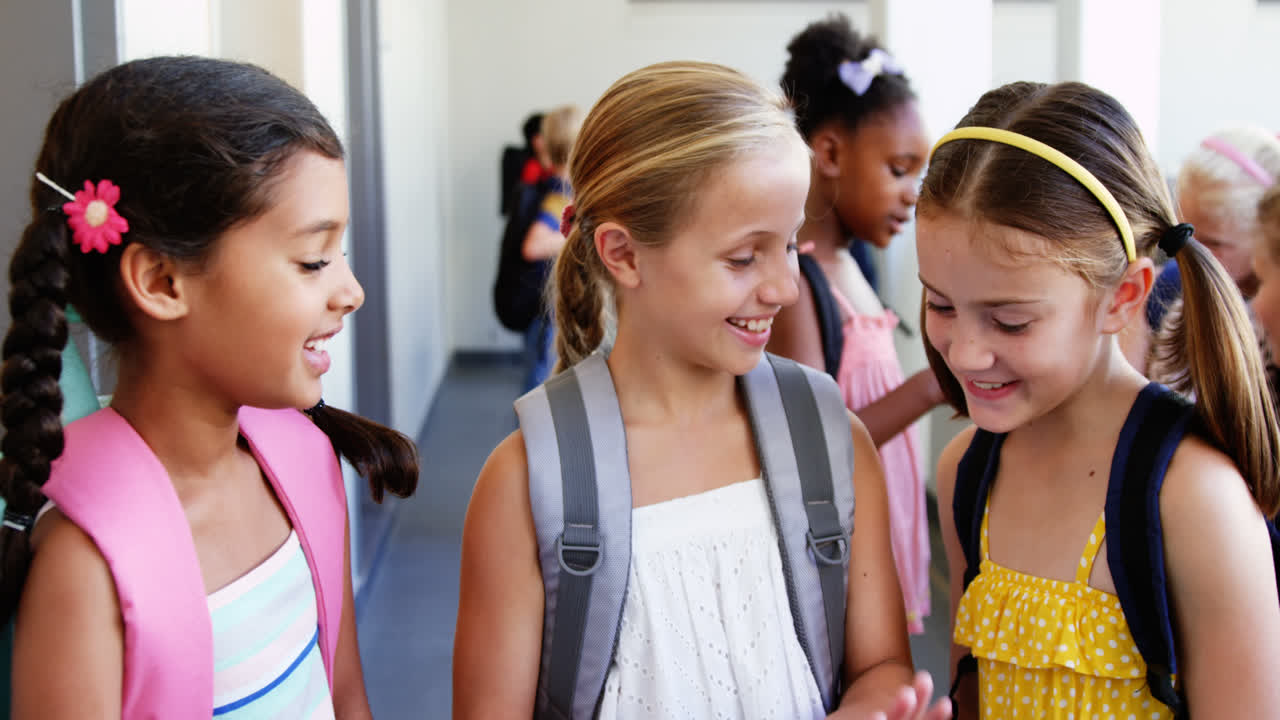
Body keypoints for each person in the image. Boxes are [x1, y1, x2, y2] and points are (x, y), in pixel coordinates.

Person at [455, 60, 951, 720]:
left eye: (790, 247)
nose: (784, 288)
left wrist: (874, 705)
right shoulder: (526, 484)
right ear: (623, 254)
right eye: (745, 257)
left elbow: (883, 665)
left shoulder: (830, 440)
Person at [0, 56, 419, 718]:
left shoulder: (306, 461)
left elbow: (343, 695)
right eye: (313, 260)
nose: (351, 291)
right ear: (163, 282)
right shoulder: (86, 569)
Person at [920, 81, 1280, 718]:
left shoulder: (1195, 500)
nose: (967, 352)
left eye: (1009, 321)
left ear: (1124, 295)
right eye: (941, 304)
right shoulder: (965, 472)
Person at [771, 13, 942, 635]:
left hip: (882, 523)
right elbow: (817, 449)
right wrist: (929, 387)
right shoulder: (797, 286)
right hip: (843, 552)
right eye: (899, 170)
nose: (913, 194)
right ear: (832, 153)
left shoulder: (850, 262)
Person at [1142, 127, 1280, 383]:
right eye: (1183, 234)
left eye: (1214, 243)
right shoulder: (1176, 297)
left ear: (1264, 237)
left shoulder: (1269, 322)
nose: (1191, 253)